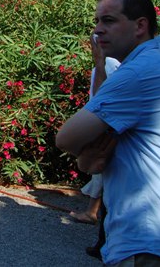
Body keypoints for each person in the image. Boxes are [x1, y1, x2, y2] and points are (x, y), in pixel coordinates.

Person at [56, 0, 160, 265]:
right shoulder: (151, 62)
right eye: (97, 21)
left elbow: (66, 137)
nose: (97, 31)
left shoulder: (139, 72)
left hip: (151, 244)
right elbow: (99, 145)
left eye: (109, 21)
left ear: (140, 25)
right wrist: (88, 159)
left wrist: (85, 156)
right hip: (156, 240)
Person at [69, 37, 120, 226]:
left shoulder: (110, 64)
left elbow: (103, 97)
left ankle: (94, 213)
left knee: (100, 170)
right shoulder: (105, 64)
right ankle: (93, 211)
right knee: (99, 173)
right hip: (99, 119)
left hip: (104, 122)